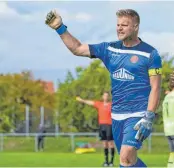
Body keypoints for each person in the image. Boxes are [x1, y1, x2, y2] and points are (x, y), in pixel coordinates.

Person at [45, 9, 162, 167]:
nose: (119, 28)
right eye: (118, 25)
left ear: (135, 27)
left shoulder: (150, 54)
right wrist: (60, 28)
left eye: (124, 25)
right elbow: (78, 48)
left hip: (138, 114)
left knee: (126, 156)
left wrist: (149, 116)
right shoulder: (109, 49)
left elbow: (156, 87)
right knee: (128, 161)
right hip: (117, 116)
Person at [76, 91, 115, 167]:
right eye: (104, 96)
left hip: (109, 125)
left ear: (108, 97)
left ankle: (111, 162)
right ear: (103, 97)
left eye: (107, 96)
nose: (106, 97)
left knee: (110, 143)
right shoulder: (99, 104)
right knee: (104, 144)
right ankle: (106, 162)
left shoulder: (111, 105)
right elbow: (90, 102)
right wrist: (82, 100)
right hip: (102, 126)